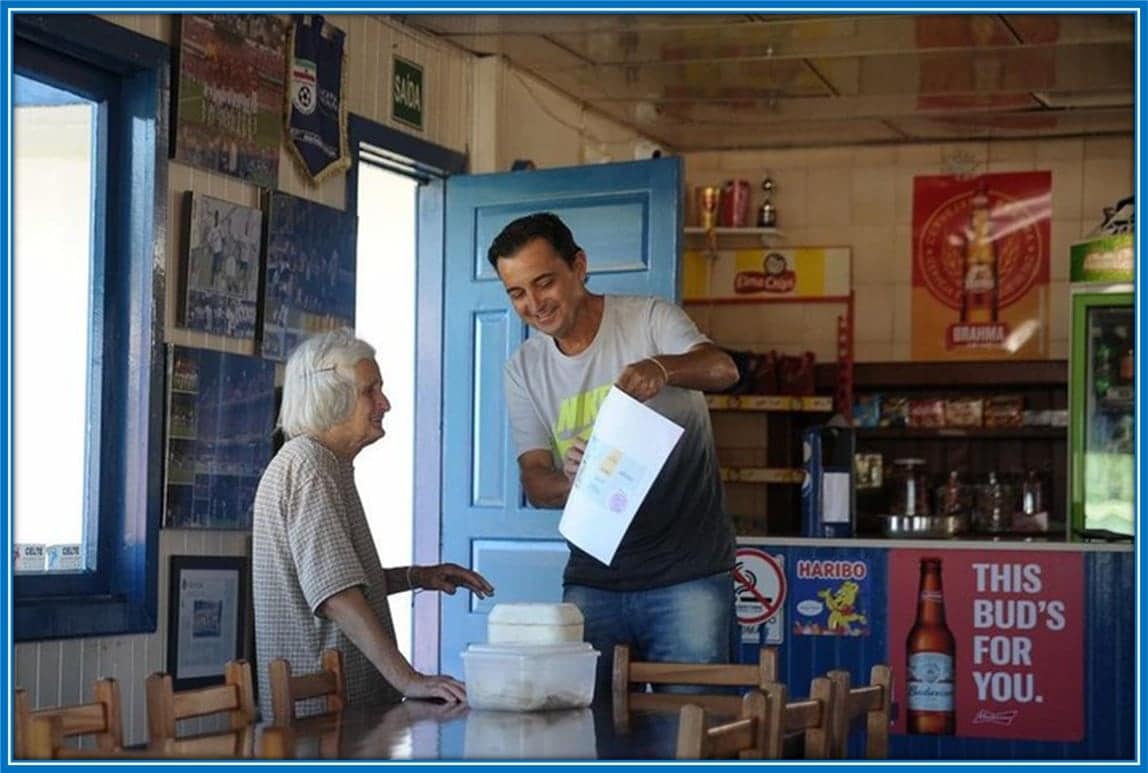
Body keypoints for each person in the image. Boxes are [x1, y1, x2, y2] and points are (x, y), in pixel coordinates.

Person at [487, 212, 741, 695]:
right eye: (517, 293)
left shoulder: (648, 319)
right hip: (592, 581)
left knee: (689, 739)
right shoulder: (523, 369)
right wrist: (573, 479)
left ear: (579, 266)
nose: (534, 304)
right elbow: (537, 482)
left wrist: (662, 367)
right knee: (580, 734)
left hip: (688, 576)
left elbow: (723, 368)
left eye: (544, 283)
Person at [253, 328, 495, 711]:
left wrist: (417, 577)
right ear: (330, 396)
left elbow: (336, 577)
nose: (385, 403)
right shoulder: (309, 466)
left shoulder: (325, 465)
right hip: (322, 724)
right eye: (371, 390)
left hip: (340, 711)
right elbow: (336, 596)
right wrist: (410, 678)